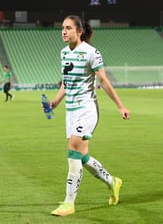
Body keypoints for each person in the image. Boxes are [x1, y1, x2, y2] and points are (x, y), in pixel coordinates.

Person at [49, 15, 130, 216]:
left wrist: (120, 106)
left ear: (79, 31)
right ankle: (113, 182)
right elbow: (66, 83)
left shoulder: (91, 52)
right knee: (82, 156)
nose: (64, 31)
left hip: (87, 109)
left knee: (72, 150)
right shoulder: (64, 53)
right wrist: (55, 102)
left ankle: (69, 203)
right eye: (62, 28)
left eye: (68, 28)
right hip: (71, 111)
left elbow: (103, 81)